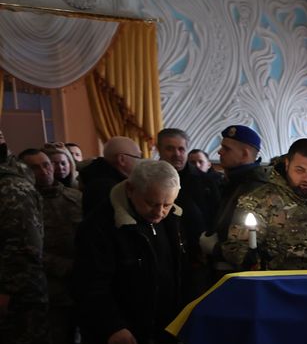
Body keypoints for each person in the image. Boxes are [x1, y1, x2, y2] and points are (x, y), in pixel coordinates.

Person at [74, 160, 189, 344]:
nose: (159, 212)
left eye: (167, 204)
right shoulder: (99, 226)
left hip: (163, 333)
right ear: (130, 189)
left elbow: (180, 273)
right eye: (151, 202)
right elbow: (90, 284)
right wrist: (113, 326)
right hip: (120, 334)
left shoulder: (174, 220)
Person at [0, 153, 68, 344]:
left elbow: (26, 246)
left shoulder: (11, 187)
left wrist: (5, 290)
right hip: (15, 290)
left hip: (18, 293)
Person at [222, 138, 307, 271]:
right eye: (300, 170)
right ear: (287, 165)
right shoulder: (258, 201)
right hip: (276, 284)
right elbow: (237, 251)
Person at [20, 148, 82, 344]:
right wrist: (63, 266)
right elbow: (25, 247)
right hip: (48, 286)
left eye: (46, 164)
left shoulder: (74, 197)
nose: (45, 171)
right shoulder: (22, 202)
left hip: (80, 282)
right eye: (35, 167)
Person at [157, 128, 222, 295]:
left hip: (197, 260)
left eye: (181, 149)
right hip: (161, 259)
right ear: (158, 149)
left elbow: (215, 216)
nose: (177, 154)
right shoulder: (150, 180)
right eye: (170, 148)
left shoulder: (207, 181)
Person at [202, 125, 272, 274]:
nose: (219, 152)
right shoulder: (232, 181)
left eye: (226, 149)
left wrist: (216, 248)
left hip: (238, 272)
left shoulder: (256, 188)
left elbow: (246, 245)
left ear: (245, 154)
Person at [78, 136, 141, 214]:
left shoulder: (99, 176)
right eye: (138, 157)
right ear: (121, 159)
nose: (140, 162)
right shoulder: (108, 189)